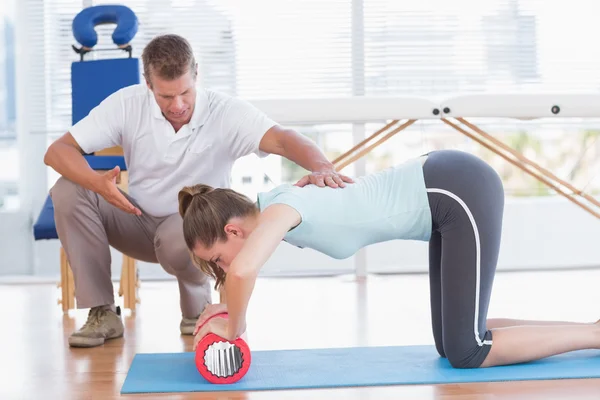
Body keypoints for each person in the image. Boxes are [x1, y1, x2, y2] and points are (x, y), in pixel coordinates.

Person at [43, 33, 353, 348]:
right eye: (165, 96)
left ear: (196, 75)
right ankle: (102, 312)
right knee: (68, 190)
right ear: (148, 84)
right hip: (134, 219)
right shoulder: (127, 104)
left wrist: (322, 167)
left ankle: (198, 309)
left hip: (187, 232)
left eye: (185, 92)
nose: (177, 105)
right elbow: (57, 151)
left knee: (188, 226)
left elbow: (283, 139)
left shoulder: (226, 111)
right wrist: (95, 182)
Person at [181, 149, 600, 369]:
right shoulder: (281, 204)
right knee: (451, 341)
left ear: (234, 230)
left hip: (455, 189)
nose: (221, 269)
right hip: (443, 195)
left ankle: (596, 336)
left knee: (467, 351)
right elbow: (237, 270)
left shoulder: (279, 209)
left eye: (216, 258)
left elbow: (242, 269)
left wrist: (234, 330)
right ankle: (592, 329)